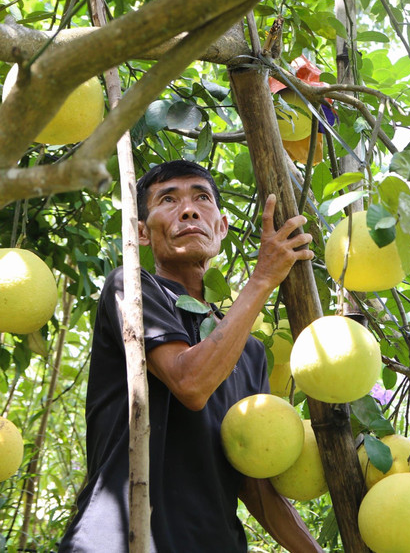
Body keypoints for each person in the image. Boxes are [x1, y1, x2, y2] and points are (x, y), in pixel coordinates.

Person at [59, 160, 323, 552]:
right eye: (168, 199)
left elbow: (255, 483)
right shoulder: (131, 288)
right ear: (142, 233)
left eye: (201, 197)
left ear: (222, 225)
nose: (188, 209)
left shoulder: (249, 352)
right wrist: (264, 278)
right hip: (118, 540)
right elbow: (190, 383)